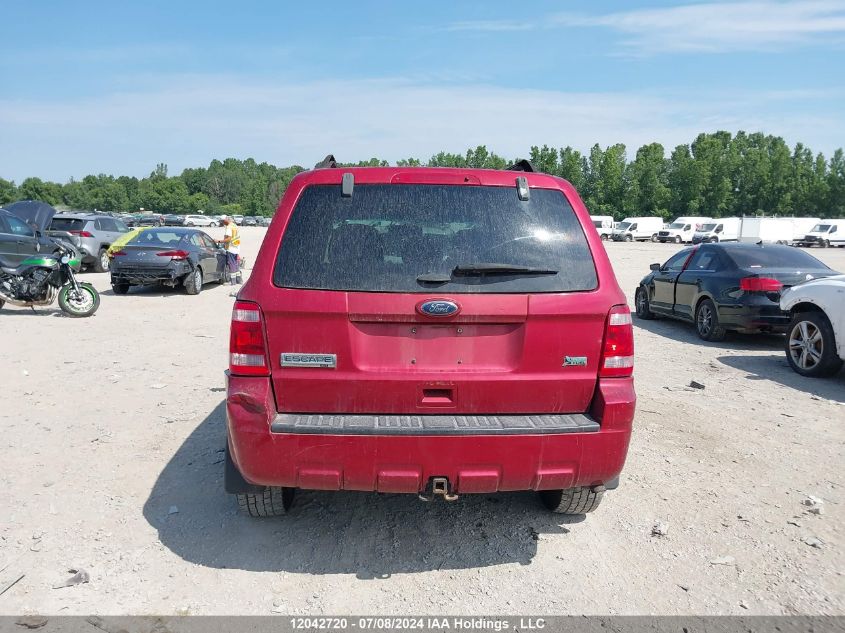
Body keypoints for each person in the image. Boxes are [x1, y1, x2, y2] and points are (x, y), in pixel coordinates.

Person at [220, 216, 242, 285]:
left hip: (231, 248)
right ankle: (239, 280)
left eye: (222, 221)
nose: (222, 223)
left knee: (231, 264)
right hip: (236, 247)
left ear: (225, 220)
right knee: (236, 264)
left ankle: (232, 282)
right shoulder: (234, 225)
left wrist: (219, 241)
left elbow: (228, 238)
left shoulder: (229, 227)